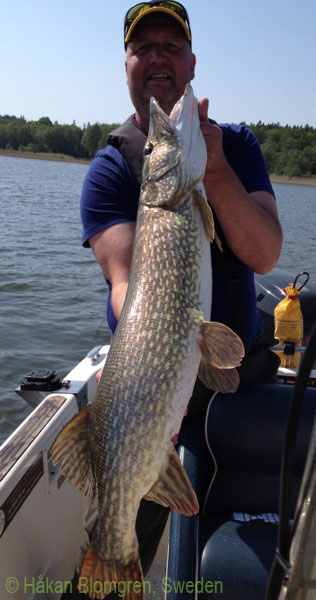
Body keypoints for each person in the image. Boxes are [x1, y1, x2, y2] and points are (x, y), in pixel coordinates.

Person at [70, 1, 283, 596]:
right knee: (113, 534)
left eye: (171, 46)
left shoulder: (233, 147)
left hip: (242, 375)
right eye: (144, 48)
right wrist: (153, 366)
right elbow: (123, 288)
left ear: (191, 62)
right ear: (128, 66)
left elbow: (265, 253)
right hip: (153, 392)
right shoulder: (111, 169)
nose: (158, 57)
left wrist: (214, 173)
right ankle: (108, 563)